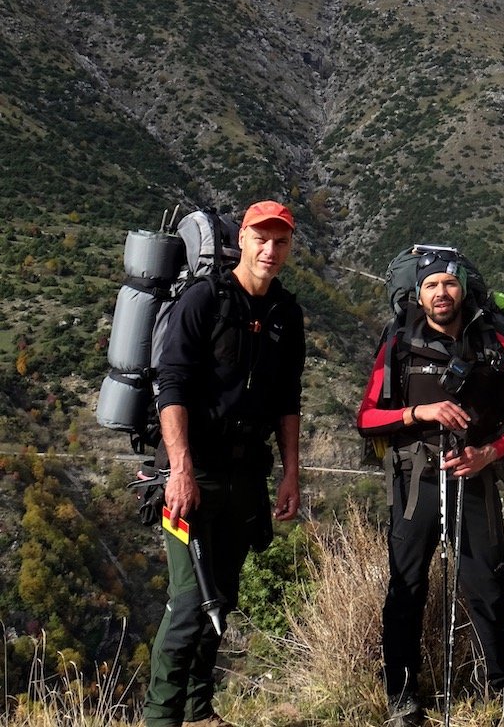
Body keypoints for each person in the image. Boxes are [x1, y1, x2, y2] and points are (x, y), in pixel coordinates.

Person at [142, 201, 306, 727]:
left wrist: (290, 473)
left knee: (223, 598)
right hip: (195, 473)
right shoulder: (203, 300)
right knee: (190, 603)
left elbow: (288, 400)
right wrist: (181, 468)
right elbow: (172, 386)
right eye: (261, 238)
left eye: (280, 241)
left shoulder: (287, 313)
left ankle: (198, 710)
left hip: (246, 477)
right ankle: (159, 718)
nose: (270, 249)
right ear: (243, 238)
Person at [356, 247, 504, 725]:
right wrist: (419, 413)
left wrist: (487, 454)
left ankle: (497, 698)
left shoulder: (495, 346)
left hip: (475, 477)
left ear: (463, 289)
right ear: (417, 292)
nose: (441, 293)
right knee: (406, 586)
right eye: (431, 285)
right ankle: (402, 700)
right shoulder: (398, 346)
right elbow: (367, 419)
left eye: (449, 284)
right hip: (417, 482)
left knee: (487, 587)